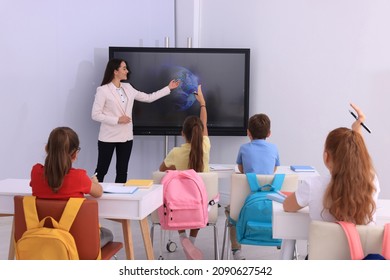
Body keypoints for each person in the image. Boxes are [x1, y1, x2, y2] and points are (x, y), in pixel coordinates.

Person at [283, 103, 380, 258]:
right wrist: (357, 128)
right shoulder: (372, 183)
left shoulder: (312, 185)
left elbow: (287, 206)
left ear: (326, 157)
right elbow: (357, 156)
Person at [92, 58, 180, 183]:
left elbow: (149, 98)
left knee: (122, 171)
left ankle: (121, 200)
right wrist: (117, 120)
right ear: (115, 71)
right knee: (101, 170)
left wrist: (168, 88)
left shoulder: (128, 87)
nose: (127, 71)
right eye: (124, 68)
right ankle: (95, 195)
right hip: (108, 138)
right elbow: (95, 115)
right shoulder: (103, 90)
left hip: (126, 138)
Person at [30, 126, 114, 248]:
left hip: (45, 239)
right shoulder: (80, 177)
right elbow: (99, 192)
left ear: (47, 148)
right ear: (75, 154)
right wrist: (93, 182)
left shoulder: (36, 172)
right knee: (108, 234)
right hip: (76, 243)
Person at [159, 84, 209, 260]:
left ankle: (182, 237)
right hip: (201, 207)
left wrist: (175, 169)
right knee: (199, 197)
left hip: (178, 207)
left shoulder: (175, 152)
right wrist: (202, 103)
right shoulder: (205, 147)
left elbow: (161, 171)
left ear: (182, 133)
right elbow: (204, 125)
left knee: (177, 195)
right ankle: (192, 242)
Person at [226, 113, 280, 260]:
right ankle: (281, 242)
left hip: (245, 205)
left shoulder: (243, 149)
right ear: (269, 133)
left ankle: (236, 251)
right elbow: (274, 169)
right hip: (271, 205)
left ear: (248, 133)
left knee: (231, 212)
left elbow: (241, 169)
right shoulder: (274, 149)